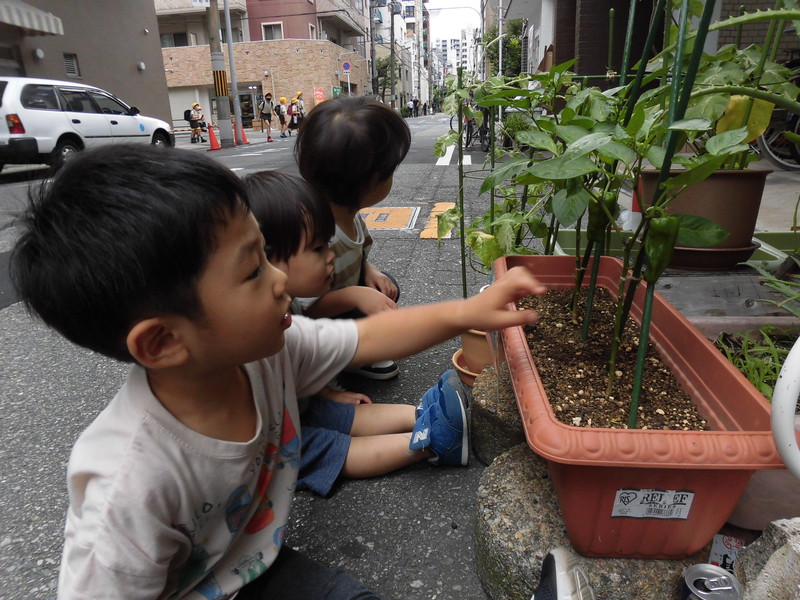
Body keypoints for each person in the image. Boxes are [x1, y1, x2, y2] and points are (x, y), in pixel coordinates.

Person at [10, 144, 543, 599]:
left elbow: (365, 338)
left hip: (245, 565)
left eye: (268, 254)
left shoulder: (267, 349)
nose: (280, 280)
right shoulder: (128, 488)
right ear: (165, 341)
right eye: (251, 269)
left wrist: (464, 313)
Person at [244, 170, 474, 497]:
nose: (330, 257)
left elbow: (295, 365)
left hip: (290, 404)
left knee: (339, 412)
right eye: (318, 248)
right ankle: (433, 443)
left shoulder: (283, 308)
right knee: (323, 446)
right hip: (270, 438)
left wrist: (326, 392)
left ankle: (426, 414)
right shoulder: (259, 323)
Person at [295, 96, 409, 380]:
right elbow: (303, 311)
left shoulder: (349, 211)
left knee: (386, 286)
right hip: (318, 321)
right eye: (389, 172)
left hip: (342, 302)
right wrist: (355, 295)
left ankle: (358, 347)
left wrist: (370, 271)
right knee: (372, 300)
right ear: (367, 181)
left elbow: (360, 254)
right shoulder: (317, 232)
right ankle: (349, 357)